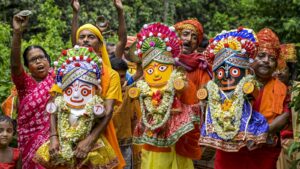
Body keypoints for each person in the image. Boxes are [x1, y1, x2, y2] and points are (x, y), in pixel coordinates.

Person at [34, 46, 123, 168]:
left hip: (91, 146)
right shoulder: (61, 96)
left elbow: (106, 112)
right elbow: (52, 108)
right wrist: (54, 136)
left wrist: (90, 140)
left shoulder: (98, 95)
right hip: (62, 142)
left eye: (84, 91)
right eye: (70, 90)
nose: (75, 95)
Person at [214, 28, 290, 169]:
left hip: (263, 151)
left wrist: (262, 132)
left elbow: (285, 116)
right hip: (232, 150)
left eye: (272, 58)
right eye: (261, 55)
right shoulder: (234, 79)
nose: (266, 61)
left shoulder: (282, 88)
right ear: (250, 57)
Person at [132, 22, 200, 169]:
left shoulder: (181, 83)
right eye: (150, 70)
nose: (156, 74)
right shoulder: (142, 87)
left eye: (162, 68)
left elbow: (193, 116)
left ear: (171, 67)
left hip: (175, 148)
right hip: (149, 146)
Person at [199, 27, 269, 152]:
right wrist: (206, 92)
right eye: (221, 73)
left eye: (234, 71)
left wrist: (249, 88)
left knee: (250, 120)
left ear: (245, 72)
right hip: (219, 112)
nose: (226, 76)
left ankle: (247, 137)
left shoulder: (247, 83)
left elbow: (254, 92)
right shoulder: (215, 88)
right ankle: (211, 138)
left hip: (242, 112)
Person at [11, 14, 54, 169]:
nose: (38, 62)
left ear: (48, 60)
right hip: (30, 145)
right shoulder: (25, 85)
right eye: (33, 60)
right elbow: (15, 66)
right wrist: (17, 33)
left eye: (41, 57)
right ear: (27, 67)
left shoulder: (58, 79)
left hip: (56, 143)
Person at [174, 18, 212, 163]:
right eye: (185, 34)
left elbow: (203, 97)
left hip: (189, 128)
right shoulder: (165, 61)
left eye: (194, 37)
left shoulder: (202, 65)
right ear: (177, 36)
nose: (189, 39)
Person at [111, 56, 142, 169]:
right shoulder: (101, 94)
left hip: (125, 144)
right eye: (115, 76)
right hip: (107, 142)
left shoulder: (130, 92)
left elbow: (136, 119)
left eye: (122, 76)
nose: (119, 80)